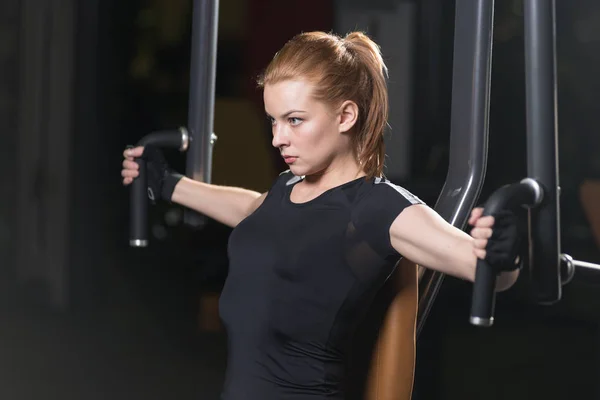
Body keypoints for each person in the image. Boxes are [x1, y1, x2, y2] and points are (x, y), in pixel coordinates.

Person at [121, 31, 522, 400]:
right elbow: (252, 210)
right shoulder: (289, 186)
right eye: (274, 122)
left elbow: (480, 264)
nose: (278, 138)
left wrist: (504, 254)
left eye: (295, 120)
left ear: (346, 116)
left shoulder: (376, 209)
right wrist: (169, 183)